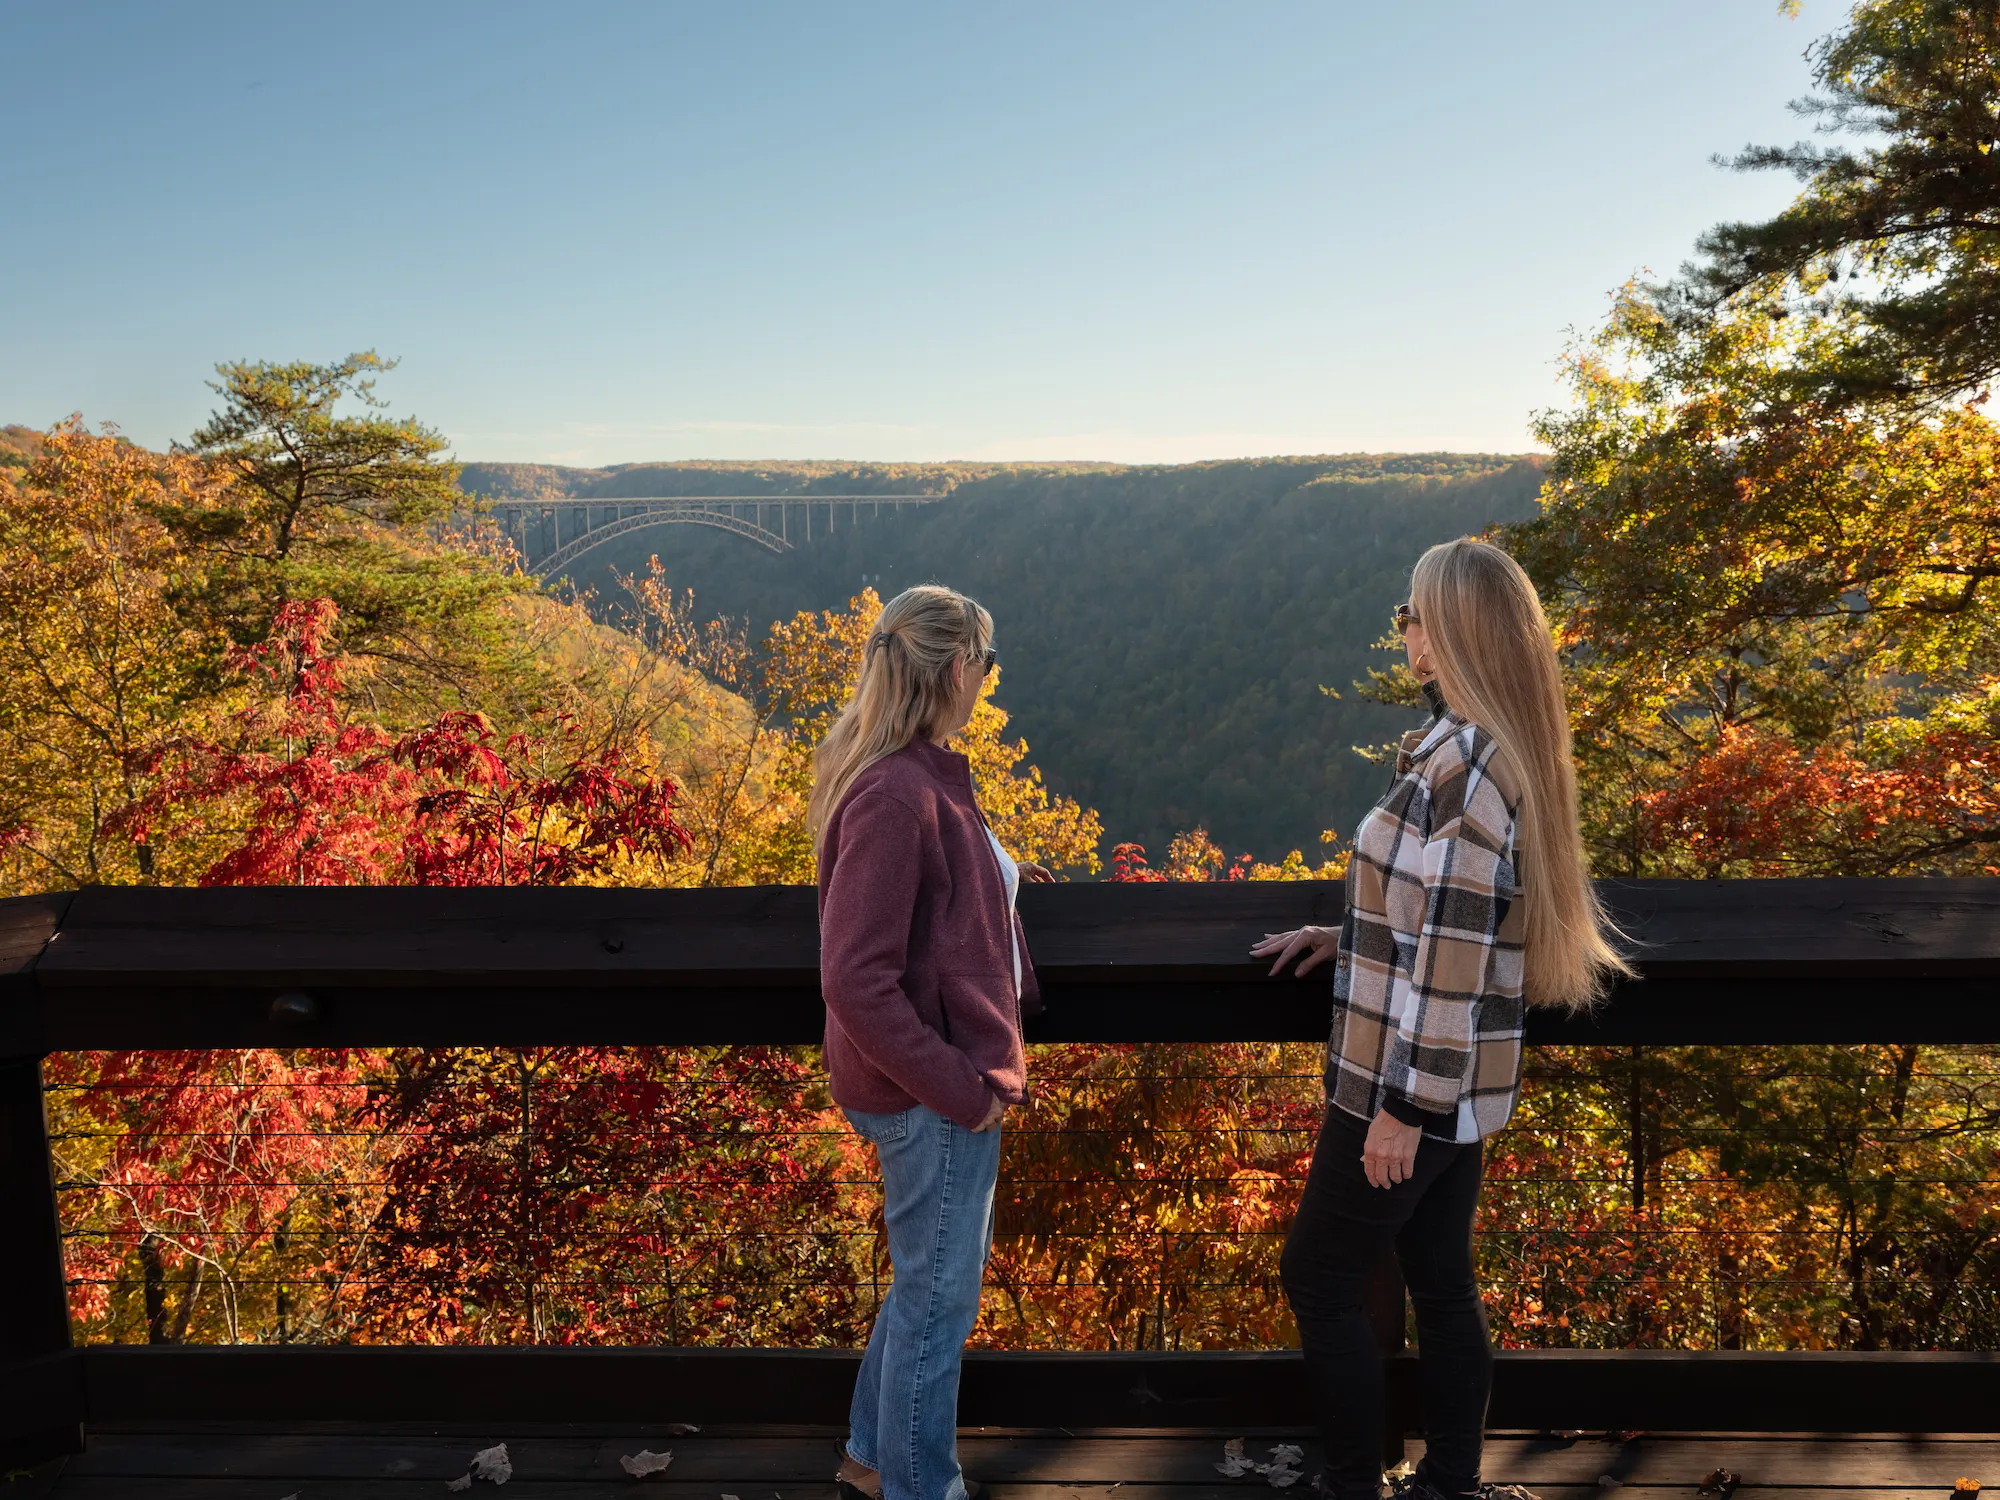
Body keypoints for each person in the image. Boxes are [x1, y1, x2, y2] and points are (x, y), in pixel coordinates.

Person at [1251, 538, 1631, 1500]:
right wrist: (1353, 933)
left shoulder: (1466, 768)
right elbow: (1441, 915)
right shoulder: (1488, 750)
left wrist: (1403, 1112)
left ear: (1447, 633)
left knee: (1321, 1278)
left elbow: (1456, 955)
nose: (1405, 632)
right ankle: (1449, 1484)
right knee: (1440, 1283)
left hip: (1406, 1083)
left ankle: (1352, 1485)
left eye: (1410, 615)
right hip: (1466, 1087)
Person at [812, 584, 1053, 1500]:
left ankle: (872, 1461)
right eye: (986, 667)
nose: (988, 683)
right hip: (929, 1096)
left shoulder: (915, 773)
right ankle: (922, 1487)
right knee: (939, 1302)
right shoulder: (894, 793)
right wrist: (961, 1084)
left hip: (935, 1083)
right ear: (958, 669)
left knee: (921, 1289)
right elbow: (856, 978)